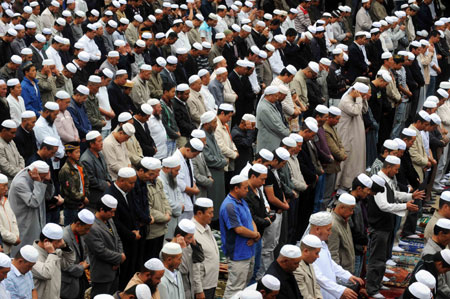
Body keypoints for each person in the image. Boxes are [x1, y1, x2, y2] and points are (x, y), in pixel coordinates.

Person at [366, 155, 425, 298]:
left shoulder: (388, 180)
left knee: (383, 256)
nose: (397, 172)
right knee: (377, 259)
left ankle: (377, 283)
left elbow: (394, 194)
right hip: (379, 226)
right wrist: (405, 206)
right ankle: (372, 288)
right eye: (396, 169)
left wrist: (410, 196)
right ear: (389, 167)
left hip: (386, 225)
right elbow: (383, 205)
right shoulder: (378, 182)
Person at [220, 174, 259, 299]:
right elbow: (238, 229)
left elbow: (250, 219)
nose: (247, 190)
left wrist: (255, 235)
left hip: (248, 251)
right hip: (238, 253)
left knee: (244, 287)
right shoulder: (229, 206)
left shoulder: (241, 201)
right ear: (236, 188)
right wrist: (255, 235)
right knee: (235, 289)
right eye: (245, 188)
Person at [309, 211, 364, 299]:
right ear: (317, 229)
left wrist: (347, 275)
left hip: (330, 290)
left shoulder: (322, 243)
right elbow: (317, 276)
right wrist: (340, 290)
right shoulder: (308, 248)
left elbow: (330, 263)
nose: (330, 233)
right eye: (328, 229)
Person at [9, 161, 54, 256]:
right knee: (23, 251)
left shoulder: (38, 177)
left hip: (36, 219)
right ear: (33, 172)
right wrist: (38, 182)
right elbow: (34, 202)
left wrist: (47, 181)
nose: (42, 180)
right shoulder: (20, 183)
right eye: (42, 177)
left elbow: (48, 196)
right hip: (24, 222)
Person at [84, 195, 125, 297]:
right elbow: (100, 251)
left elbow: (117, 238)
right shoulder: (92, 227)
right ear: (102, 209)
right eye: (111, 211)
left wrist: (120, 256)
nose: (113, 214)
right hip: (102, 274)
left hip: (114, 272)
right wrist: (119, 257)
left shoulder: (109, 220)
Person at [105, 167, 140, 289]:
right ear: (121, 181)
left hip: (132, 238)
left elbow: (133, 211)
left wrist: (136, 230)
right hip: (122, 241)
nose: (133, 185)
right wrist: (131, 234)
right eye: (131, 182)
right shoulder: (110, 195)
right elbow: (115, 222)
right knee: (123, 276)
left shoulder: (127, 191)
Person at [335, 82, 369, 191]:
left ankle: (352, 182)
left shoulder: (356, 100)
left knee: (356, 159)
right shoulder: (346, 100)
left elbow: (364, 110)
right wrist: (359, 99)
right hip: (347, 135)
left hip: (356, 134)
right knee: (347, 159)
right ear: (355, 91)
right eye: (361, 94)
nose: (362, 97)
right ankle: (341, 184)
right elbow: (355, 111)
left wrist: (363, 99)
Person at [32, 223, 75, 299]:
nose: (60, 244)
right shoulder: (32, 255)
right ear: (46, 241)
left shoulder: (55, 252)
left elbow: (69, 262)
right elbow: (46, 274)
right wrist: (52, 253)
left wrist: (65, 247)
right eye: (58, 241)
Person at [61, 209, 94, 299]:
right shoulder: (63, 237)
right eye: (86, 228)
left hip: (79, 282)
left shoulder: (81, 233)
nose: (88, 232)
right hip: (67, 285)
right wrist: (81, 267)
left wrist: (86, 263)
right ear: (78, 224)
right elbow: (64, 265)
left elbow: (88, 253)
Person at [200, 111, 227, 218]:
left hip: (219, 172)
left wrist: (222, 160)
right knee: (213, 200)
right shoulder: (202, 136)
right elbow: (209, 159)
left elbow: (219, 152)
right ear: (206, 124)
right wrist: (224, 162)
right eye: (214, 122)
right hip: (212, 172)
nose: (216, 125)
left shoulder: (211, 134)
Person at [192, 197, 219, 299]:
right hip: (203, 285)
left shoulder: (206, 227)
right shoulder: (192, 233)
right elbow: (194, 265)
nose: (212, 216)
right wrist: (198, 290)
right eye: (210, 213)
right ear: (199, 213)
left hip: (211, 282)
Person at [59, 142, 89, 226]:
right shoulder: (66, 170)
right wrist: (83, 198)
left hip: (82, 203)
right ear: (69, 153)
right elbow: (71, 190)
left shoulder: (80, 165)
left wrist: (85, 195)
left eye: (79, 152)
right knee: (70, 230)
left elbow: (86, 181)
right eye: (76, 152)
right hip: (71, 206)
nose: (79, 154)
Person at [80, 131, 112, 209]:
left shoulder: (100, 154)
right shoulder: (86, 160)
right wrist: (105, 184)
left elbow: (106, 171)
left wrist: (109, 180)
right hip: (94, 197)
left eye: (102, 140)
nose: (102, 143)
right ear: (91, 144)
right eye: (99, 141)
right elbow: (90, 180)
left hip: (104, 193)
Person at [173, 138, 203, 220]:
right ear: (188, 149)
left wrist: (194, 185)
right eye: (194, 155)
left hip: (189, 197)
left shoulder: (187, 158)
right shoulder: (176, 159)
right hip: (182, 199)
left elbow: (191, 175)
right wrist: (193, 191)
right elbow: (179, 183)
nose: (194, 157)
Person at [256, 86, 290, 152]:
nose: (277, 98)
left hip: (275, 140)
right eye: (276, 96)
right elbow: (275, 126)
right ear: (269, 95)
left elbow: (279, 121)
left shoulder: (270, 104)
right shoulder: (264, 108)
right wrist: (288, 133)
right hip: (268, 143)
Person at [293, 234, 323, 299]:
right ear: (306, 251)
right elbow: (304, 295)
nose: (318, 256)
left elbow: (316, 286)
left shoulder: (309, 263)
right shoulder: (297, 268)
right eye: (316, 253)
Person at [0, 173, 19, 255]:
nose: (6, 189)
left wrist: (16, 235)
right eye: (4, 186)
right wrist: (13, 239)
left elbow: (13, 219)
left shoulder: (5, 200)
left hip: (8, 247)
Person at [0, 119, 24, 184]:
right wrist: (20, 172)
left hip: (18, 178)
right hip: (7, 182)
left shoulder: (11, 141)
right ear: (4, 131)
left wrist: (22, 169)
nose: (14, 135)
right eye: (12, 133)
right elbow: (5, 167)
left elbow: (20, 157)